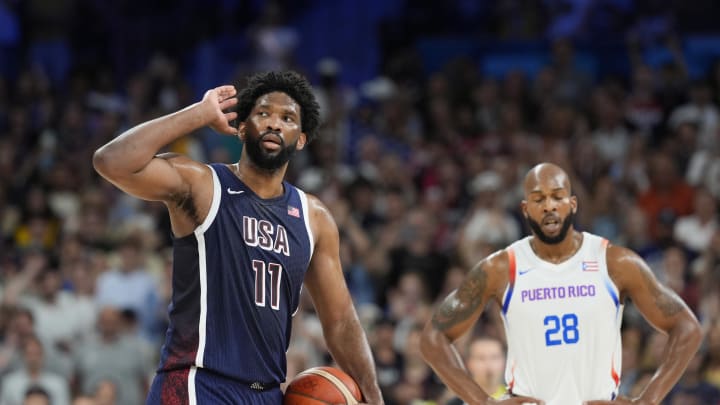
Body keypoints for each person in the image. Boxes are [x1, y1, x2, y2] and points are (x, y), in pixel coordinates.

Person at [93, 71, 384, 404]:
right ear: (242, 127)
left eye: (287, 118)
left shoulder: (313, 217)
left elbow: (341, 321)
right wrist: (198, 115)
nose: (274, 124)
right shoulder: (202, 185)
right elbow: (111, 162)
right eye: (263, 114)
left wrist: (374, 396)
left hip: (267, 393)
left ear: (301, 139)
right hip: (197, 382)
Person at [419, 162, 703, 404]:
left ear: (573, 203)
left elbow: (687, 327)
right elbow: (433, 339)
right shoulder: (500, 268)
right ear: (525, 208)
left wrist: (650, 398)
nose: (549, 206)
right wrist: (480, 401)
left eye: (557, 196)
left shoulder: (615, 262)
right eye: (538, 199)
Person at [446, 335, 508, 404]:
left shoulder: (515, 398)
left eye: (494, 357)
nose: (488, 364)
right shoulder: (456, 403)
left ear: (505, 361)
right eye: (481, 358)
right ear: (469, 363)